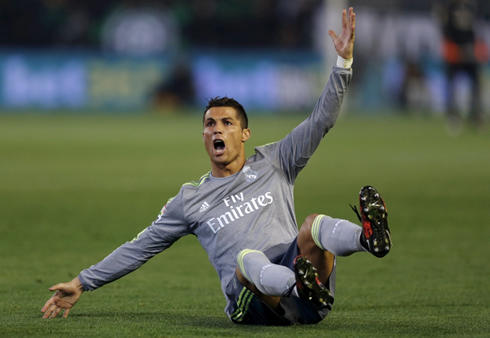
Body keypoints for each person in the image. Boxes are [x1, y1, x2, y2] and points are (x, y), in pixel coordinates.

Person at [41, 7, 392, 325]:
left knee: (315, 224)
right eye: (210, 124)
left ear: (245, 134)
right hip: (255, 301)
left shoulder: (276, 160)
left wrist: (343, 64)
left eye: (226, 123)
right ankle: (298, 285)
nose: (216, 129)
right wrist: (83, 282)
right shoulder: (190, 200)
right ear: (204, 135)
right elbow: (140, 246)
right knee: (247, 259)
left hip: (311, 295)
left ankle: (368, 239)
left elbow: (321, 121)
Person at [440, 0, 487, 132]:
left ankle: (475, 114)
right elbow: (446, 30)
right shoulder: (450, 7)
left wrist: (476, 49)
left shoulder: (472, 6)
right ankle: (453, 114)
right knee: (452, 83)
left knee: (475, 84)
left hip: (469, 50)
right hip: (455, 51)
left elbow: (477, 30)